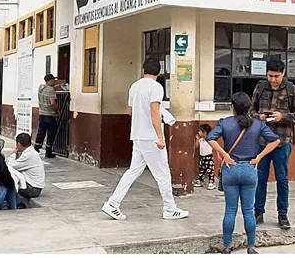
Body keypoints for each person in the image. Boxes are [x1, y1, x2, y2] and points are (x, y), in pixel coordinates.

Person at [102, 59, 189, 221]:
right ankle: (170, 209)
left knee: (132, 172)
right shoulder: (156, 87)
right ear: (159, 72)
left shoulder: (134, 86)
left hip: (137, 135)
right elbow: (154, 112)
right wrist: (160, 137)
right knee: (162, 173)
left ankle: (112, 204)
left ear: (143, 70)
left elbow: (130, 112)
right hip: (151, 137)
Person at [207, 92, 281, 254]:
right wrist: (259, 157)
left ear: (232, 107)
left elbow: (210, 138)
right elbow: (276, 140)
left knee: (230, 210)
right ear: (249, 107)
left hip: (230, 169)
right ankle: (251, 247)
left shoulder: (224, 123)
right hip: (249, 168)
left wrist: (225, 155)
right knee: (248, 210)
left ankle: (227, 246)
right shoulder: (257, 125)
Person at [250, 59, 295, 230]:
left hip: (282, 141)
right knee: (260, 178)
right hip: (262, 141)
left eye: (276, 76)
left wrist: (283, 116)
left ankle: (283, 214)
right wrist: (260, 117)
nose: (273, 80)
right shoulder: (260, 87)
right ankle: (258, 212)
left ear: (283, 73)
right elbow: (251, 111)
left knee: (282, 179)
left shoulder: (291, 89)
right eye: (270, 76)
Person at [7, 133, 45, 200]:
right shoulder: (30, 151)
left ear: (18, 144)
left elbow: (11, 165)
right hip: (34, 186)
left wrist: (13, 154)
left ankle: (14, 202)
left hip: (33, 189)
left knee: (9, 180)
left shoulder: (28, 155)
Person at [36, 74, 59, 159]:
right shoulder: (51, 90)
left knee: (41, 133)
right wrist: (57, 110)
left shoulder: (40, 87)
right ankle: (48, 152)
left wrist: (57, 86)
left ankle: (36, 149)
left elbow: (47, 89)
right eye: (53, 80)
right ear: (50, 81)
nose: (54, 81)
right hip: (50, 115)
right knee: (51, 133)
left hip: (42, 114)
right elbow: (52, 103)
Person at [194, 124, 216, 190]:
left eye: (200, 131)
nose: (199, 132)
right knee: (201, 169)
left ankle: (211, 182)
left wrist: (215, 156)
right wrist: (197, 140)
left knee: (210, 171)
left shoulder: (210, 139)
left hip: (209, 157)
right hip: (202, 157)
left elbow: (214, 148)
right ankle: (200, 181)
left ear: (205, 132)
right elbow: (196, 146)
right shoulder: (201, 140)